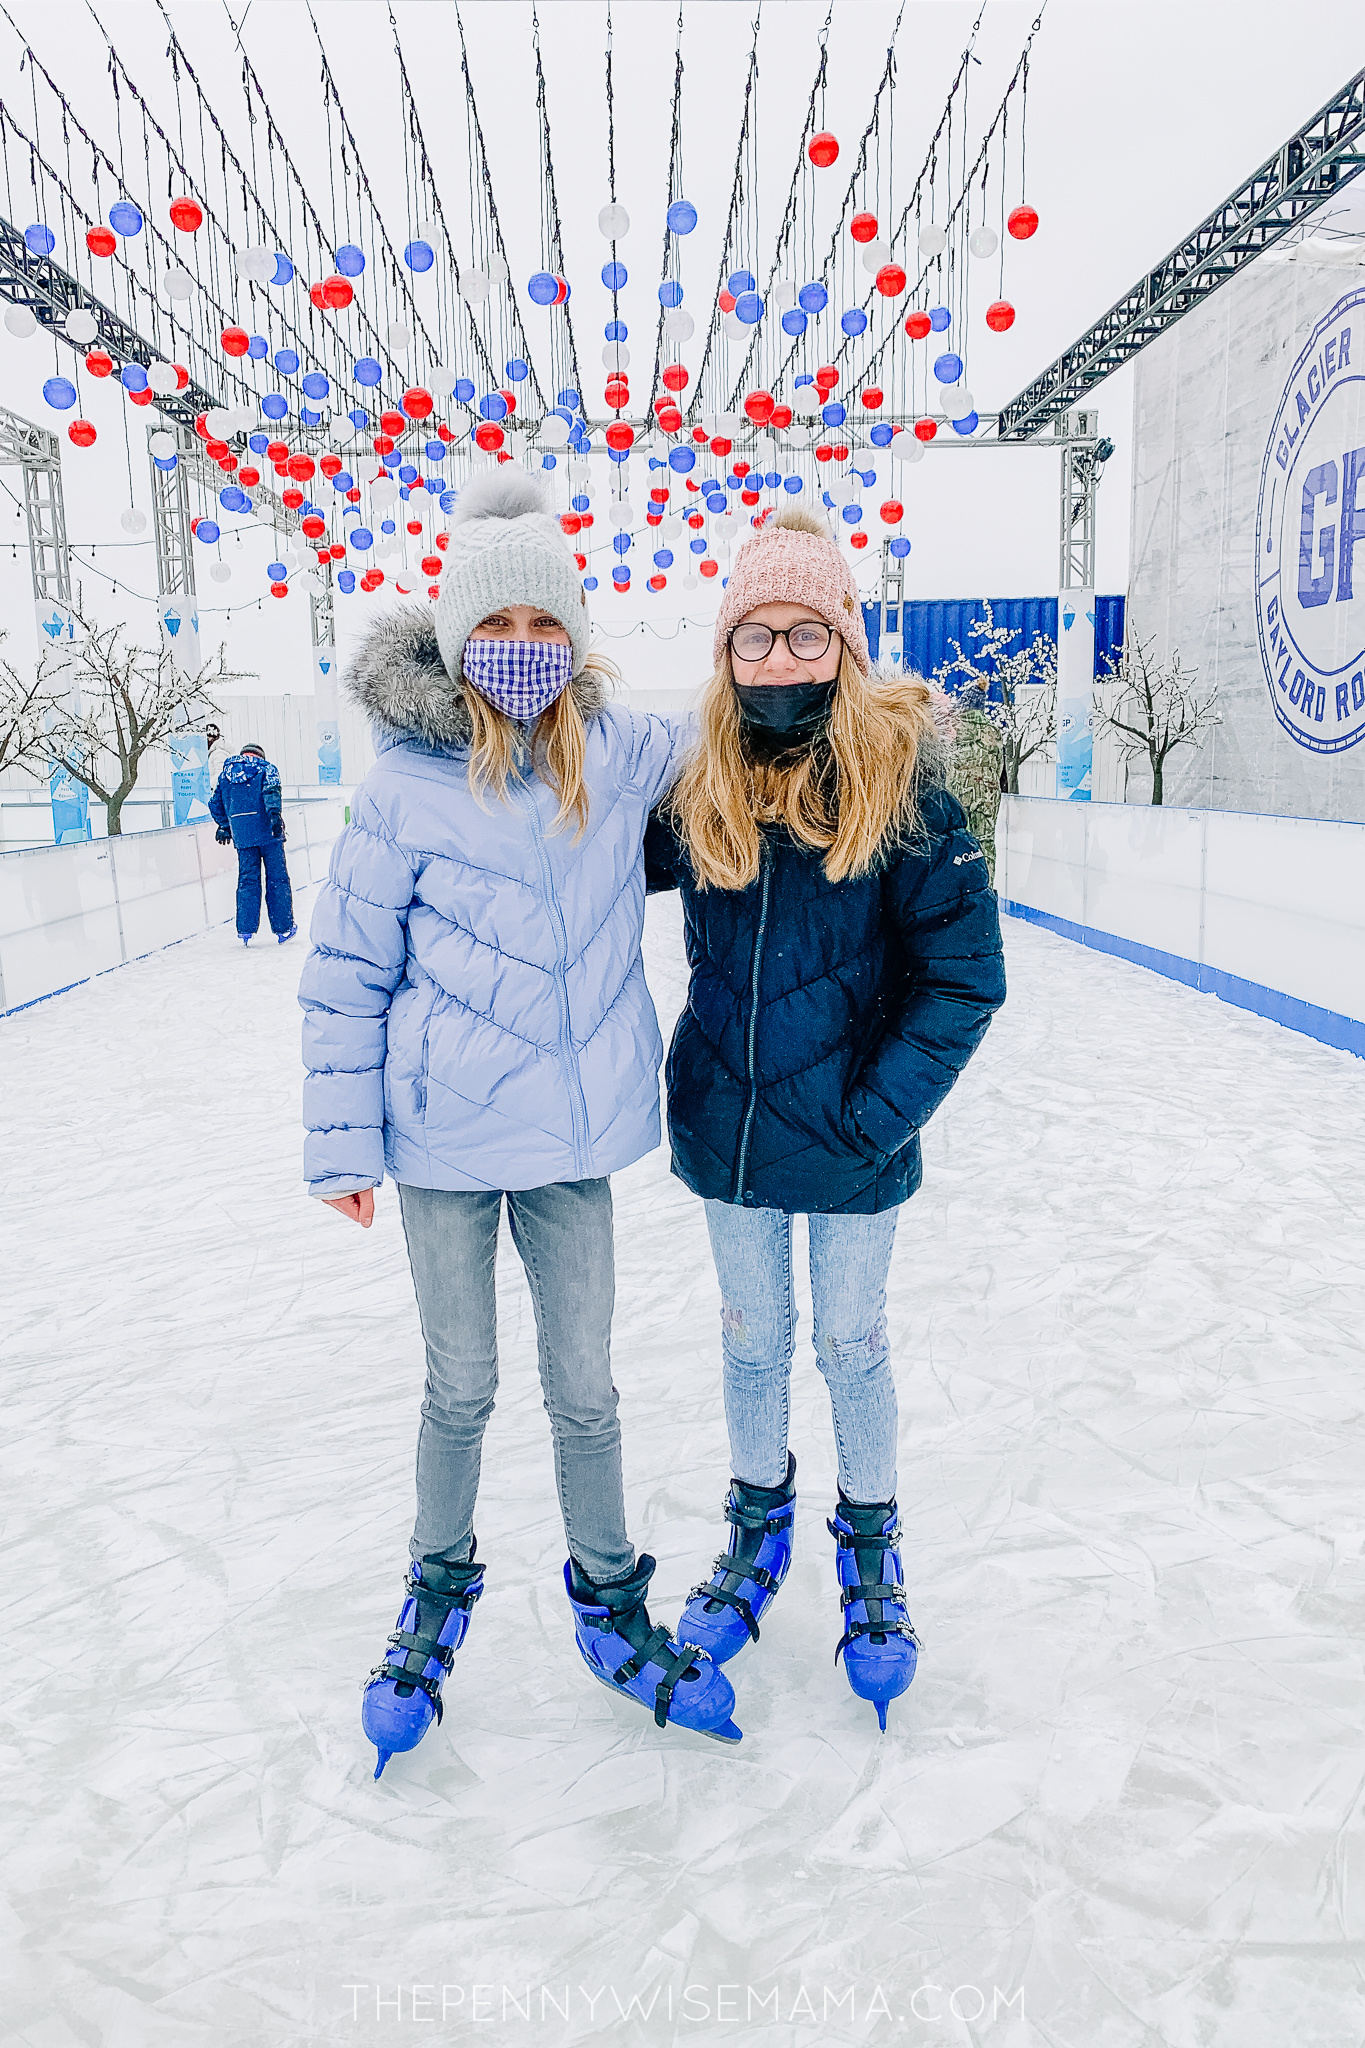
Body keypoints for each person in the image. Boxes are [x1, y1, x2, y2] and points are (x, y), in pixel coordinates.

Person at [298, 468, 739, 1777]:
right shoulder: (400, 789)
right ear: (454, 637)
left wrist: (881, 708)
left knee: (585, 1390)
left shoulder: (619, 754)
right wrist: (340, 1145)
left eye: (551, 629)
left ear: (578, 641)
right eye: (501, 627)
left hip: (572, 1146)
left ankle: (608, 1595)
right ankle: (438, 1586)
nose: (526, 651)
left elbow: (751, 732)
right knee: (463, 1386)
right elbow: (345, 972)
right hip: (439, 1148)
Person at [645, 506, 1006, 1731]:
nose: (783, 658)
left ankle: (869, 1548)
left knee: (851, 1346)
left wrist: (874, 1112)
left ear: (846, 645)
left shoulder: (907, 790)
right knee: (752, 1341)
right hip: (732, 1137)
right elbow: (558, 840)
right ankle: (755, 1537)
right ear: (727, 652)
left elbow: (966, 975)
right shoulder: (696, 785)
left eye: (809, 633)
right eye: (758, 635)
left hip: (851, 1143)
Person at [209, 741, 296, 946]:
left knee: (248, 881)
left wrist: (225, 826)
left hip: (243, 835)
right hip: (268, 833)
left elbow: (214, 804)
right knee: (277, 879)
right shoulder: (267, 769)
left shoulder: (225, 776)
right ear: (260, 755)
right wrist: (274, 816)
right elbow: (271, 792)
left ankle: (246, 931)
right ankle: (283, 928)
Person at [947, 681, 1005, 887]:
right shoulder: (993, 733)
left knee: (956, 843)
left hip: (956, 794)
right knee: (985, 842)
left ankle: (959, 890)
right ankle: (985, 890)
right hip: (987, 797)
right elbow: (999, 767)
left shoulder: (950, 730)